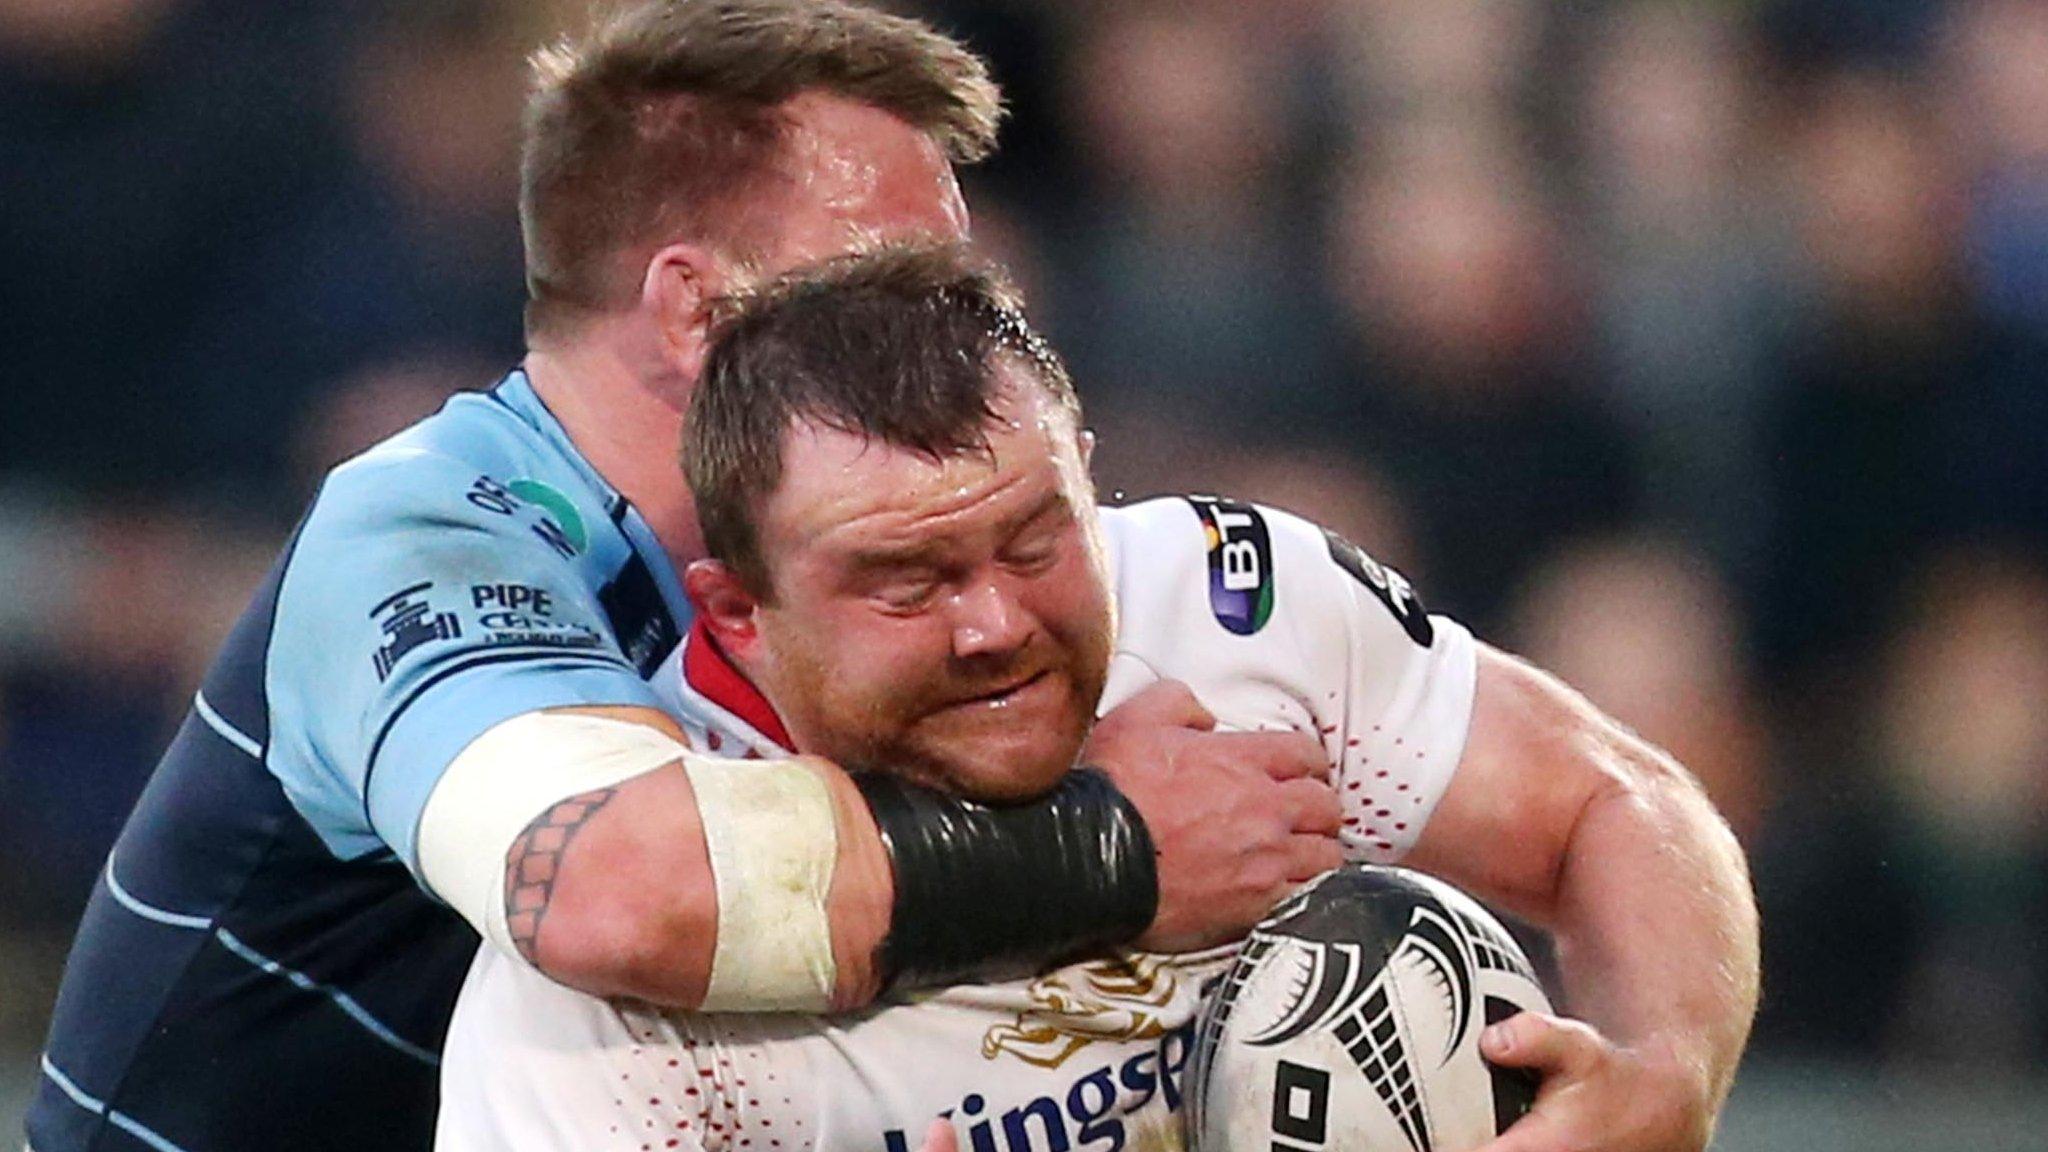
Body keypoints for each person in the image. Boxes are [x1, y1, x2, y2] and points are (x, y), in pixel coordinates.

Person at [26, 5, 1342, 1150]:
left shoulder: (879, 567)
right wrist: (1110, 844)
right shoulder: (423, 534)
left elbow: (1556, 801)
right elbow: (602, 889)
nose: (961, 332)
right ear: (699, 311)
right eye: (901, 281)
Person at [437, 245, 1760, 1152]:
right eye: (904, 583)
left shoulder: (1231, 605)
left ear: (1085, 474)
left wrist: (1667, 1076)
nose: (996, 624)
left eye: (1033, 540)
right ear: (737, 611)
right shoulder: (613, 994)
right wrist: (1107, 852)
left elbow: (1613, 801)